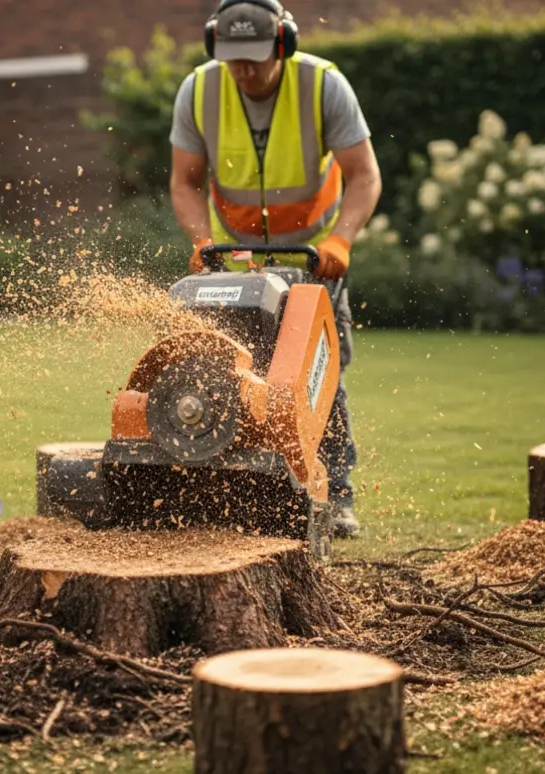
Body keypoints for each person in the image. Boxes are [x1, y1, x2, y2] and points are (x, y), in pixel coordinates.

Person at [168, 0, 382, 538]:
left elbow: (364, 175)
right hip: (235, 263)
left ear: (283, 44)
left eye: (255, 57)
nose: (244, 69)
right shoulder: (199, 90)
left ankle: (336, 493)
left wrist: (341, 239)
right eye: (233, 57)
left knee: (320, 378)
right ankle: (240, 490)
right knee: (232, 373)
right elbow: (184, 181)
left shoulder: (323, 85)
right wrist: (202, 242)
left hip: (314, 260)